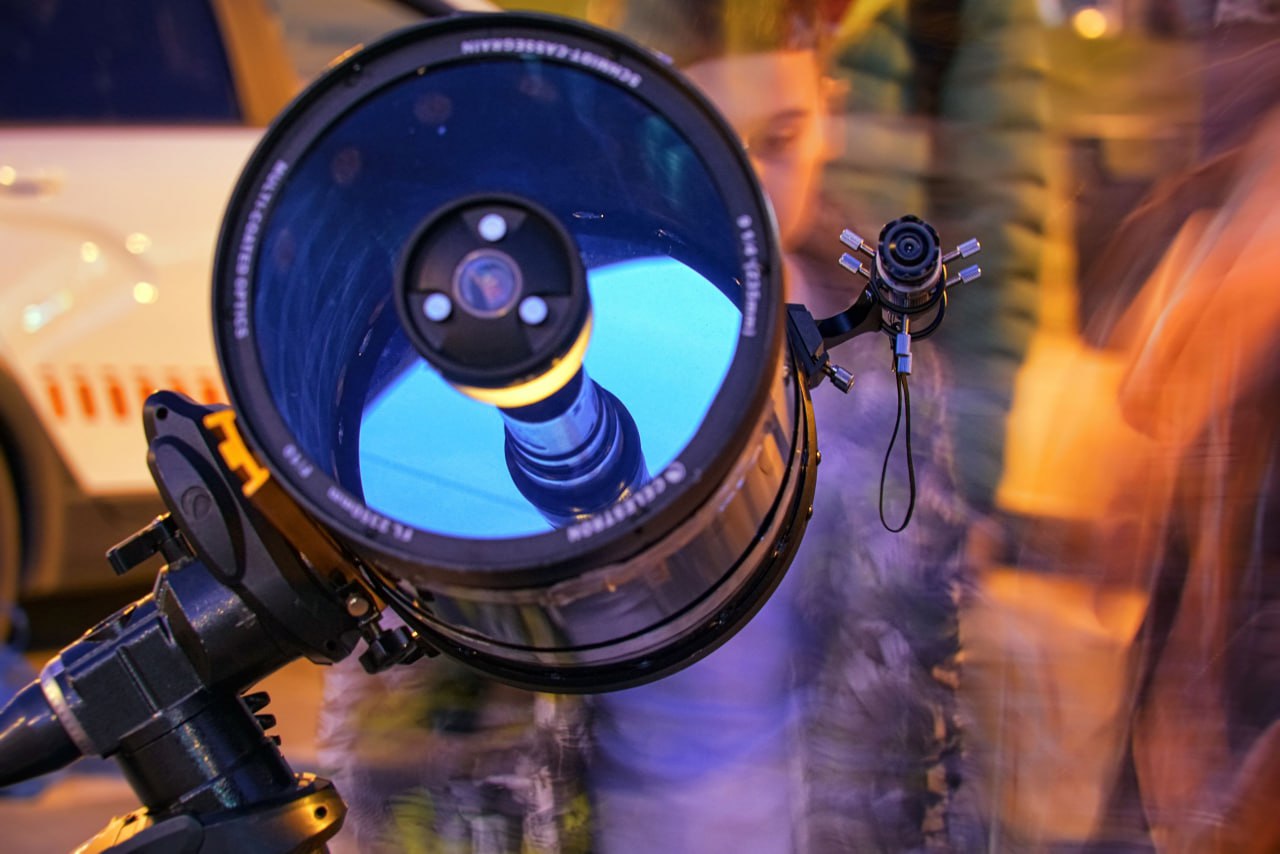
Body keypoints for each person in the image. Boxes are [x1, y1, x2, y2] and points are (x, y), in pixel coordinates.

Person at [319, 2, 979, 851]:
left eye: (780, 138)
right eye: (702, 144)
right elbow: (399, 708)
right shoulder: (517, 356)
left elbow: (922, 691)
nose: (748, 188)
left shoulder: (887, 389)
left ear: (832, 114)